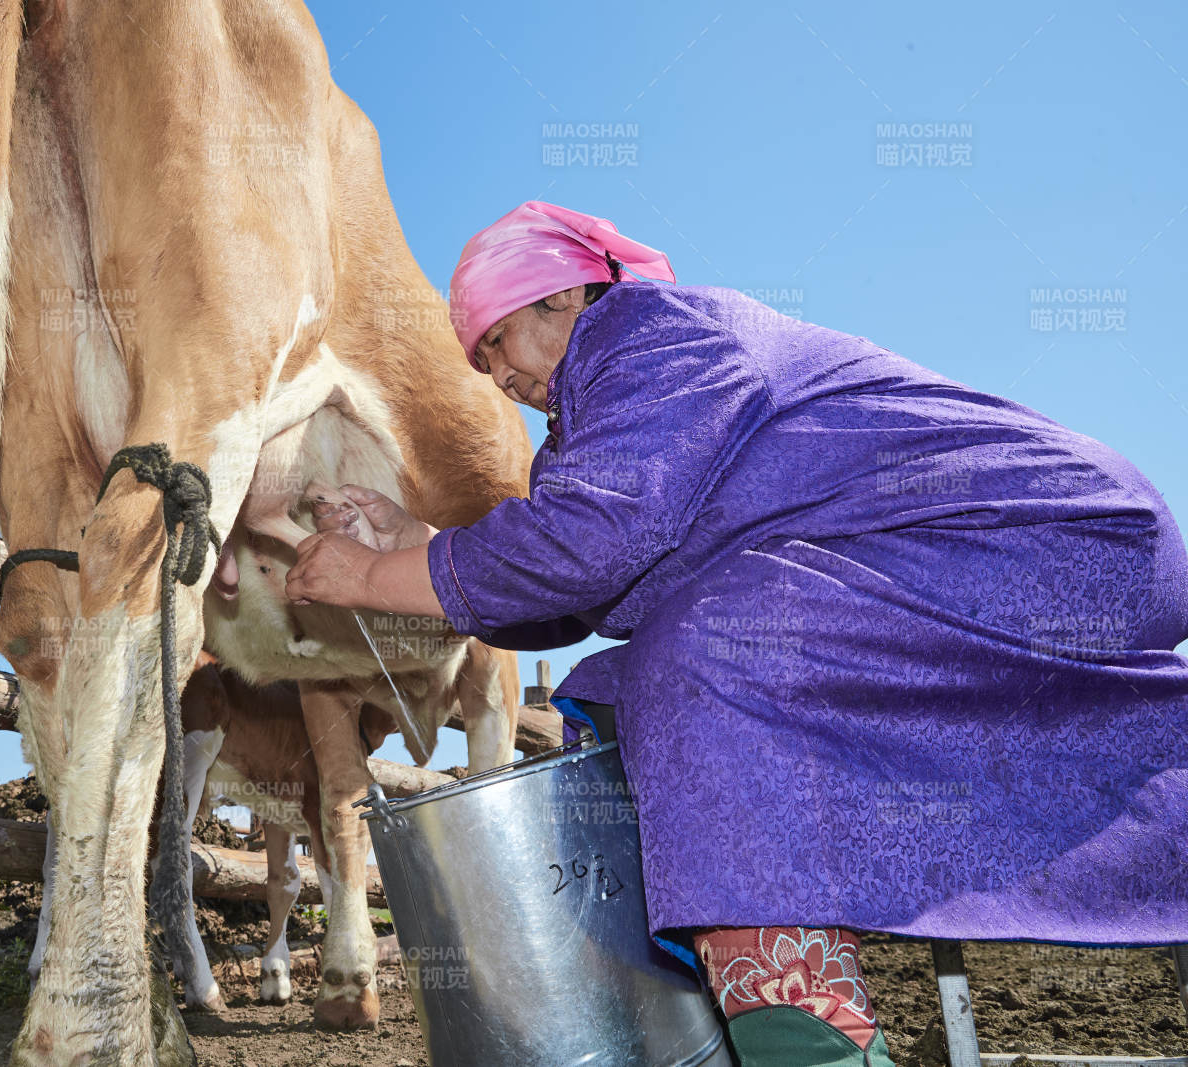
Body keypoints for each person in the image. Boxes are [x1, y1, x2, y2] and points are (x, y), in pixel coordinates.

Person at [285, 200, 1188, 1066]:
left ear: (562, 295)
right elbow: (585, 578)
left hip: (1052, 540)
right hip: (994, 562)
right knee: (635, 678)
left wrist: (369, 578)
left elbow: (585, 544)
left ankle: (810, 1045)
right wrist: (418, 544)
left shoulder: (655, 338)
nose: (497, 376)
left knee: (705, 660)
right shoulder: (601, 414)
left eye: (497, 340)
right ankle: (759, 1014)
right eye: (479, 363)